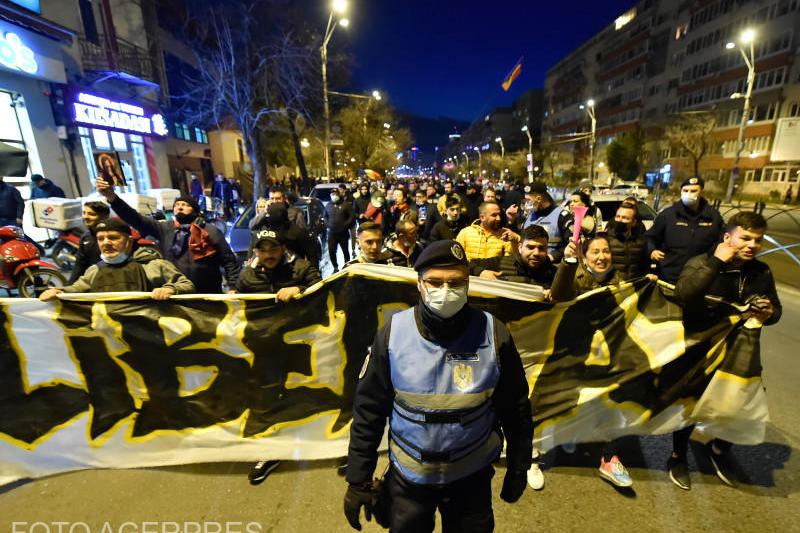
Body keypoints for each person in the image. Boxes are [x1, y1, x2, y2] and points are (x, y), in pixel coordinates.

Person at [344, 240, 533, 532]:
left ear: (468, 284)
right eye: (435, 282)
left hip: (471, 478)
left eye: (456, 282)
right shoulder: (393, 334)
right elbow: (369, 409)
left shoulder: (494, 333)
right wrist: (359, 478)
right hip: (409, 480)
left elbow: (516, 407)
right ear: (420, 284)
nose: (446, 291)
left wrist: (520, 465)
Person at [666, 212, 781, 491]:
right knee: (693, 403)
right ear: (728, 237)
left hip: (740, 353)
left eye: (758, 240)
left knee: (742, 402)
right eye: (746, 238)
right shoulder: (701, 262)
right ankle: (678, 455)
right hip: (702, 350)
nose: (752, 245)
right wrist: (717, 262)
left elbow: (775, 310)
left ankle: (718, 449)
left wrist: (770, 312)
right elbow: (685, 295)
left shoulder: (762, 272)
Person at [549, 235, 632, 488]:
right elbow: (559, 294)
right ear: (585, 257)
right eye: (595, 252)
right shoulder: (575, 275)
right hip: (576, 351)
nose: (601, 257)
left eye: (606, 251)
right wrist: (567, 261)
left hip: (609, 354)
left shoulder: (624, 281)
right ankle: (570, 433)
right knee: (573, 397)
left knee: (611, 404)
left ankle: (609, 457)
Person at [242, 228, 322, 485]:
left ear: (283, 248)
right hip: (264, 347)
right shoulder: (247, 275)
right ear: (255, 251)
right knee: (267, 398)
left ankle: (328, 443)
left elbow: (323, 289)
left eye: (273, 248)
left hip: (302, 344)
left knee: (308, 393)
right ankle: (271, 452)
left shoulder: (302, 268)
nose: (268, 254)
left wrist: (300, 288)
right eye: (262, 249)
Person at [96, 176, 240, 294]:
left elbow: (228, 261)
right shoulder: (164, 228)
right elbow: (136, 219)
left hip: (208, 293)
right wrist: (112, 197)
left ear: (195, 211)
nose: (180, 207)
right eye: (177, 205)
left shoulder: (210, 231)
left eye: (185, 205)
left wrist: (233, 287)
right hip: (174, 292)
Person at [39, 219, 194, 300]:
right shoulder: (94, 271)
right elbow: (75, 289)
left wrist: (170, 289)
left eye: (113, 238)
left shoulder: (154, 265)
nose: (106, 243)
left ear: (129, 242)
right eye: (101, 239)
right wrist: (58, 291)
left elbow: (186, 285)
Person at [646, 176, 724, 284]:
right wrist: (652, 250)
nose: (689, 193)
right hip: (669, 275)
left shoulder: (713, 216)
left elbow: (721, 241)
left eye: (693, 191)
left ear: (701, 192)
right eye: (685, 190)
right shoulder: (668, 215)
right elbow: (651, 237)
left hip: (700, 276)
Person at [470, 224, 557, 288]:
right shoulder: (502, 263)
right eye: (530, 247)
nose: (536, 253)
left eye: (542, 248)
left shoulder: (554, 273)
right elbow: (466, 265)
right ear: (520, 247)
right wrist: (481, 272)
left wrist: (555, 292)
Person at [523, 181, 570, 262]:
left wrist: (553, 257)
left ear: (539, 199)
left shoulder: (562, 216)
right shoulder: (529, 216)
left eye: (528, 200)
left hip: (553, 266)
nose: (526, 204)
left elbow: (570, 245)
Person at [68, 201, 111, 283]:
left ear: (105, 217)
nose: (85, 217)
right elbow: (80, 264)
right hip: (95, 282)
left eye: (91, 214)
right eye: (84, 213)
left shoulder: (115, 236)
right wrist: (68, 287)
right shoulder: (86, 238)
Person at [605, 200, 649, 280]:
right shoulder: (605, 240)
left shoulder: (641, 241)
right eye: (618, 216)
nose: (620, 220)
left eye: (625, 218)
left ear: (634, 222)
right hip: (613, 286)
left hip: (634, 286)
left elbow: (645, 265)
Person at [324, 187, 355, 272]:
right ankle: (335, 267)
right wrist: (328, 225)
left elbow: (351, 216)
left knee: (345, 251)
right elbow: (325, 216)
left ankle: (347, 266)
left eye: (336, 194)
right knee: (332, 251)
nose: (334, 196)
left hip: (343, 233)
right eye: (333, 194)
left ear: (339, 195)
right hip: (332, 234)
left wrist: (346, 225)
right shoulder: (328, 205)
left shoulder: (345, 205)